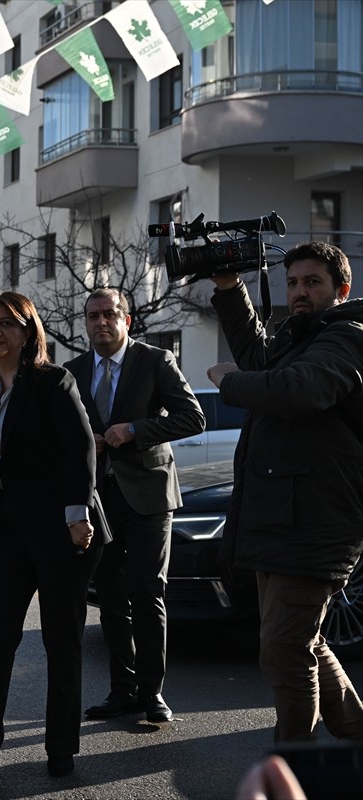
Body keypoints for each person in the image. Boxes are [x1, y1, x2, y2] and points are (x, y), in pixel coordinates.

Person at [207, 241, 363, 743]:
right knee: (303, 640)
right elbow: (259, 355)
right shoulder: (302, 337)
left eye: (311, 282)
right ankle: (355, 729)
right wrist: (229, 288)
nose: (298, 292)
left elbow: (297, 388)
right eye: (293, 282)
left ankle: (293, 762)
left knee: (282, 648)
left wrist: (231, 385)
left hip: (318, 523)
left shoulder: (346, 338)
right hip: (280, 519)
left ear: (341, 290)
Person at [0, 291, 101, 780]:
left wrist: (77, 515)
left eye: (7, 324)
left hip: (62, 530)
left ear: (28, 330)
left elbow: (80, 451)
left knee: (61, 640)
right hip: (9, 530)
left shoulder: (55, 382)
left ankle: (61, 749)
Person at [64, 288, 204, 725]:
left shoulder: (154, 361)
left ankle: (152, 693)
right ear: (85, 322)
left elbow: (192, 417)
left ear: (126, 320)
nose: (100, 322)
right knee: (110, 599)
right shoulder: (72, 371)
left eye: (109, 314)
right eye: (92, 316)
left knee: (147, 593)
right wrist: (91, 443)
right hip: (99, 499)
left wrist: (136, 430)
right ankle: (121, 690)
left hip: (148, 495)